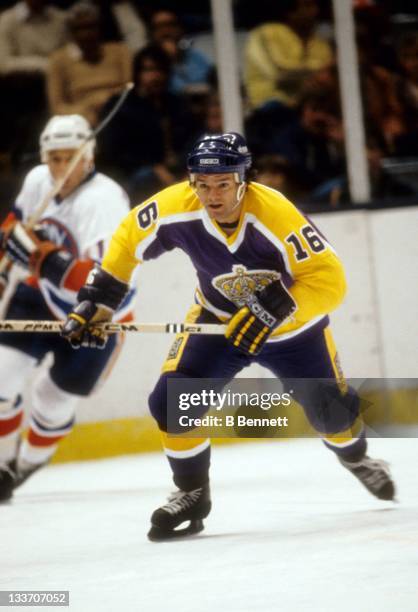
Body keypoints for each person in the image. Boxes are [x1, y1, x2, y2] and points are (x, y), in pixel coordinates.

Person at [62, 132, 395, 541]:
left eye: (222, 184)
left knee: (334, 419)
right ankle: (192, 493)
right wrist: (100, 298)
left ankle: (357, 457)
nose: (211, 195)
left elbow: (331, 281)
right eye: (202, 184)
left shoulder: (275, 213)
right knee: (171, 400)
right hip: (218, 323)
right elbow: (128, 239)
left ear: (244, 180)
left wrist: (275, 308)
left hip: (294, 332)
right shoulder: (174, 207)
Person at [0, 114, 135, 502]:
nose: (61, 168)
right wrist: (10, 244)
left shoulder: (104, 200)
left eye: (70, 158)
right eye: (54, 159)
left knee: (52, 399)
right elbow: (16, 222)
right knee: (1, 381)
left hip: (98, 318)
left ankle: (26, 465)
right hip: (39, 299)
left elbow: (103, 281)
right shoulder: (38, 180)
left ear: (88, 156)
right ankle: (2, 466)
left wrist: (44, 259)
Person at [47, 1, 132, 126]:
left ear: (99, 28)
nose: (86, 34)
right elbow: (57, 106)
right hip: (82, 118)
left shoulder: (120, 51)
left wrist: (106, 102)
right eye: (79, 28)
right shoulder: (58, 60)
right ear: (71, 32)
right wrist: (82, 112)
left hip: (119, 112)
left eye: (90, 27)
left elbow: (129, 90)